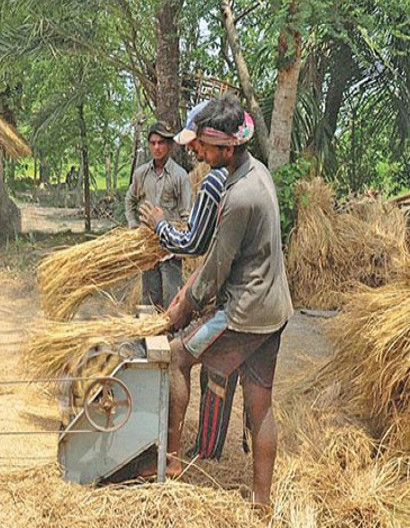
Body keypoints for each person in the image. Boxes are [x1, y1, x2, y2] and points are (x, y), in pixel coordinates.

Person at [164, 93, 293, 512]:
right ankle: (262, 504)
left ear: (227, 147)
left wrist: (184, 306)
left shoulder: (237, 199)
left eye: (202, 146)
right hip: (275, 310)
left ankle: (170, 465)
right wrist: (190, 292)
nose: (197, 152)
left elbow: (217, 266)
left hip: (245, 314)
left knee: (177, 357)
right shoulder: (257, 174)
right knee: (261, 404)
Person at [138, 101, 229, 257]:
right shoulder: (254, 171)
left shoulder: (212, 181)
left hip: (173, 245)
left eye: (195, 141)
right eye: (153, 143)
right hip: (157, 243)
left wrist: (160, 225)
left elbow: (192, 244)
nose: (190, 147)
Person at [125, 122, 192, 309]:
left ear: (170, 145)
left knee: (172, 298)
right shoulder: (141, 174)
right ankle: (150, 336)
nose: (156, 147)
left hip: (170, 248)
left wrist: (181, 247)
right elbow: (130, 200)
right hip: (148, 247)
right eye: (153, 143)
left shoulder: (180, 176)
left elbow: (186, 215)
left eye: (161, 143)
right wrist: (133, 226)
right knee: (149, 299)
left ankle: (172, 336)